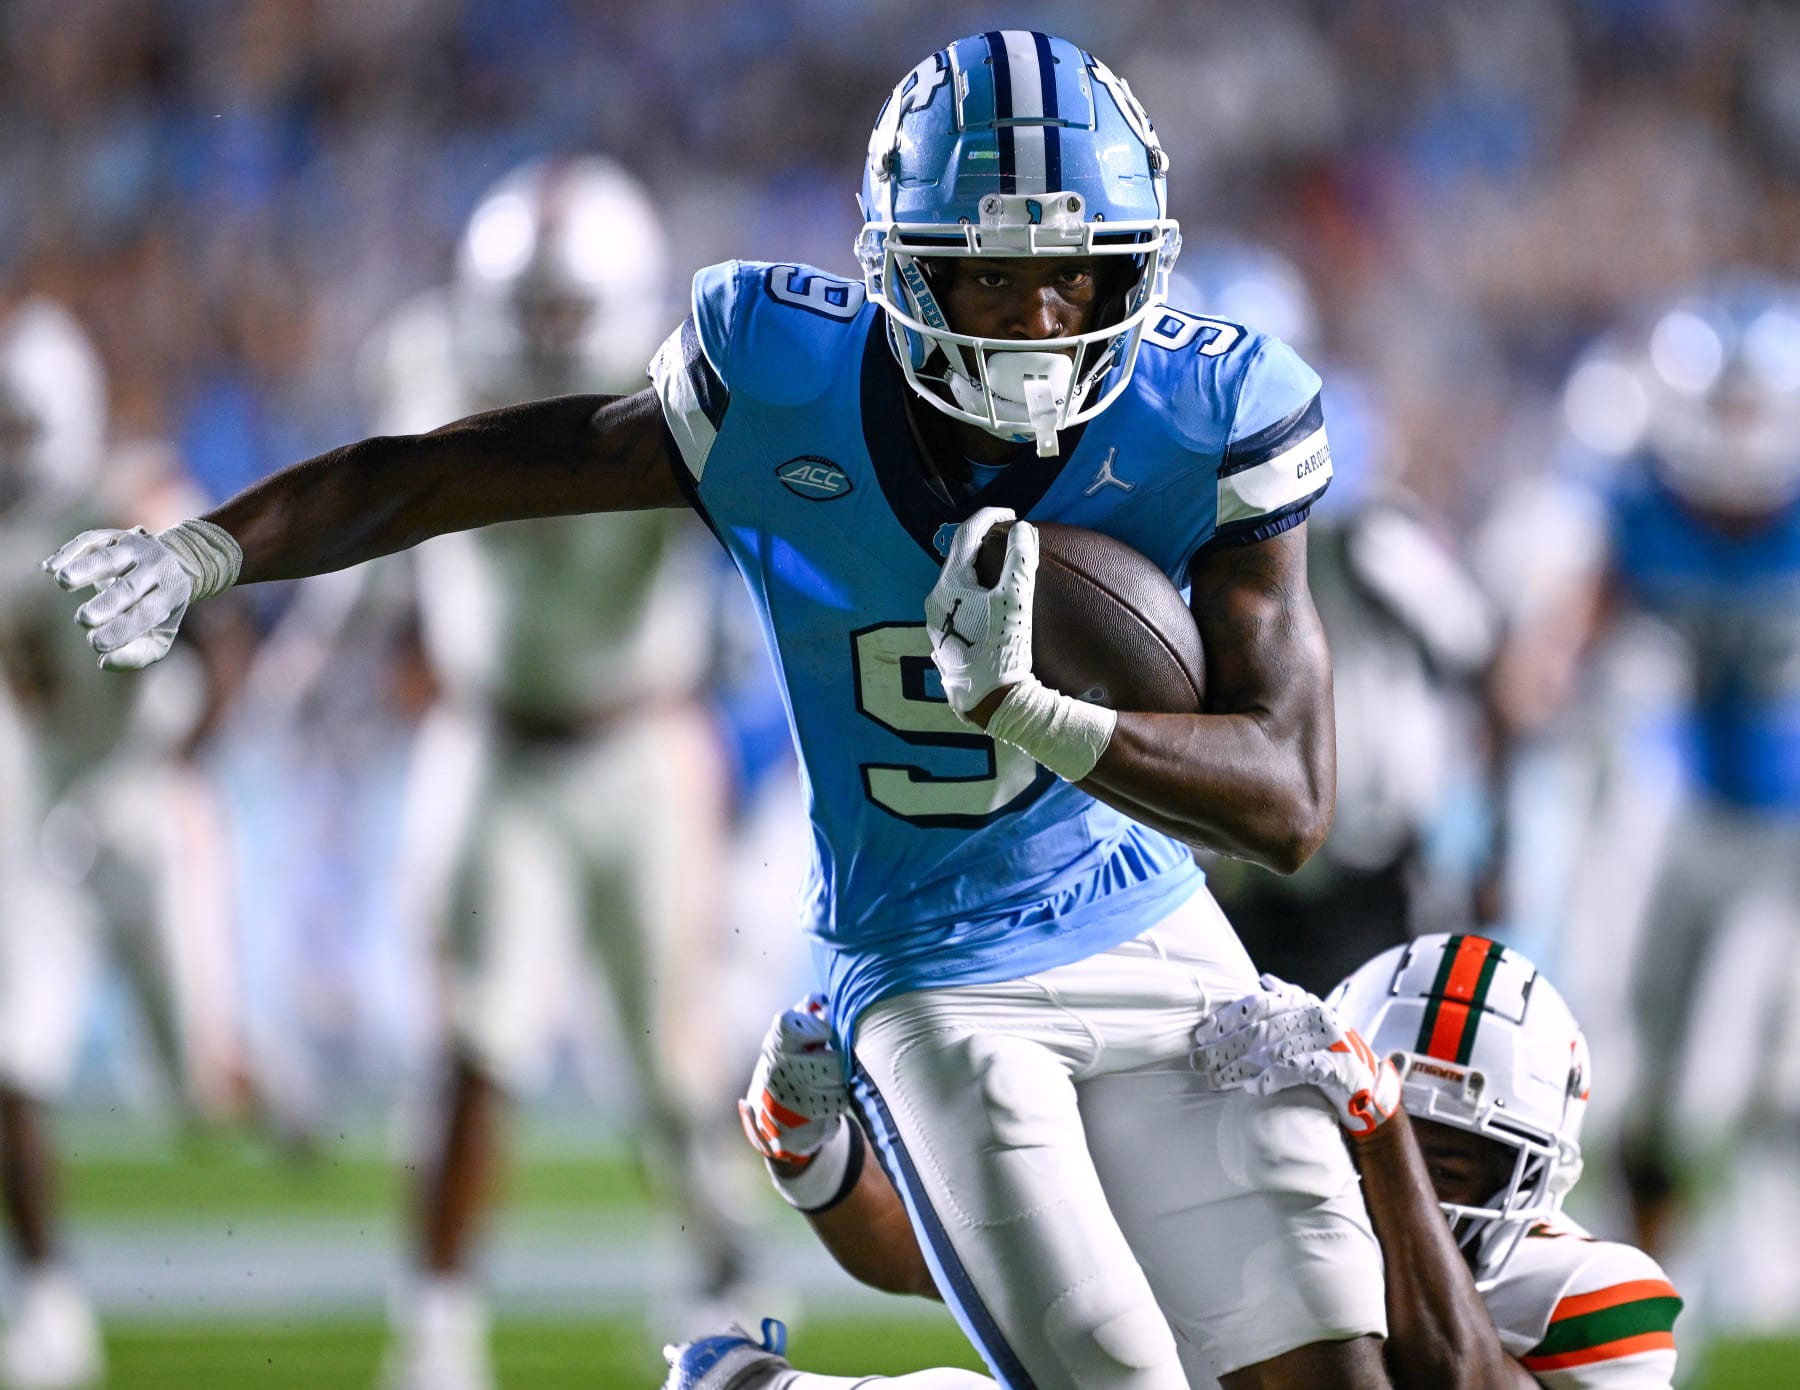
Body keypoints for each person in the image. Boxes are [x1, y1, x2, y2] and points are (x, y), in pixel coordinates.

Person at [44, 31, 1387, 1389]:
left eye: (1073, 274)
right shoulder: (786, 392)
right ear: (905, 267)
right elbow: (453, 473)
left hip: (1156, 919)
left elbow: (1289, 805)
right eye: (990, 272)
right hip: (935, 967)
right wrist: (212, 549)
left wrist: (1039, 716)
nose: (1040, 319)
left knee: (1336, 1359)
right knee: (1116, 1368)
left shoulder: (1208, 407)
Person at [357, 155, 755, 1390]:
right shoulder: (428, 356)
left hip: (645, 739)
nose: (542, 334)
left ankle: (720, 1276)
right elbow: (389, 519)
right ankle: (437, 1331)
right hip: (492, 739)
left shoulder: (688, 379)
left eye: (566, 308)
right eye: (527, 306)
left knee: (675, 1057)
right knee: (471, 1050)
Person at [701, 933, 1680, 1390]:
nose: (1419, 1179)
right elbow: (927, 1257)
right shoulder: (1264, 1185)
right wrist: (812, 1153)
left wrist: (1380, 1128)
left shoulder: (1593, 1299)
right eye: (1405, 1139)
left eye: (1455, 1162)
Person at [1476, 275, 1800, 1343]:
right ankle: (1659, 1272)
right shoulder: (1636, 499)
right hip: (1689, 818)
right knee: (1659, 1068)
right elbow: (1558, 639)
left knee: (1773, 1068)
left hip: (1784, 814)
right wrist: (1543, 675)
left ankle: (1750, 1246)